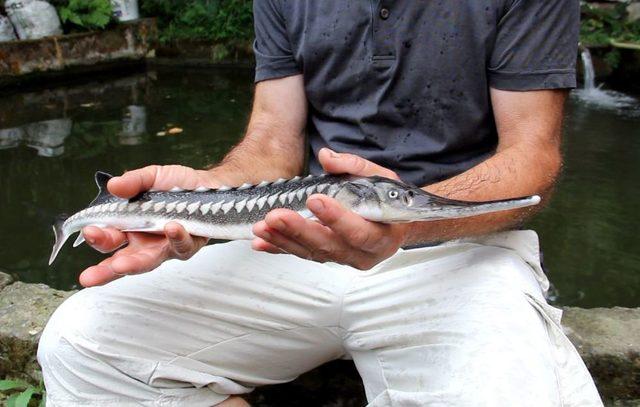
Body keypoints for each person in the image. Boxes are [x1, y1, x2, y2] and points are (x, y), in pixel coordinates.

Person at [38, 1, 603, 406]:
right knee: (81, 344)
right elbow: (272, 141)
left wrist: (406, 223)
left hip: (458, 251)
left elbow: (532, 158)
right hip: (294, 241)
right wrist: (207, 192)